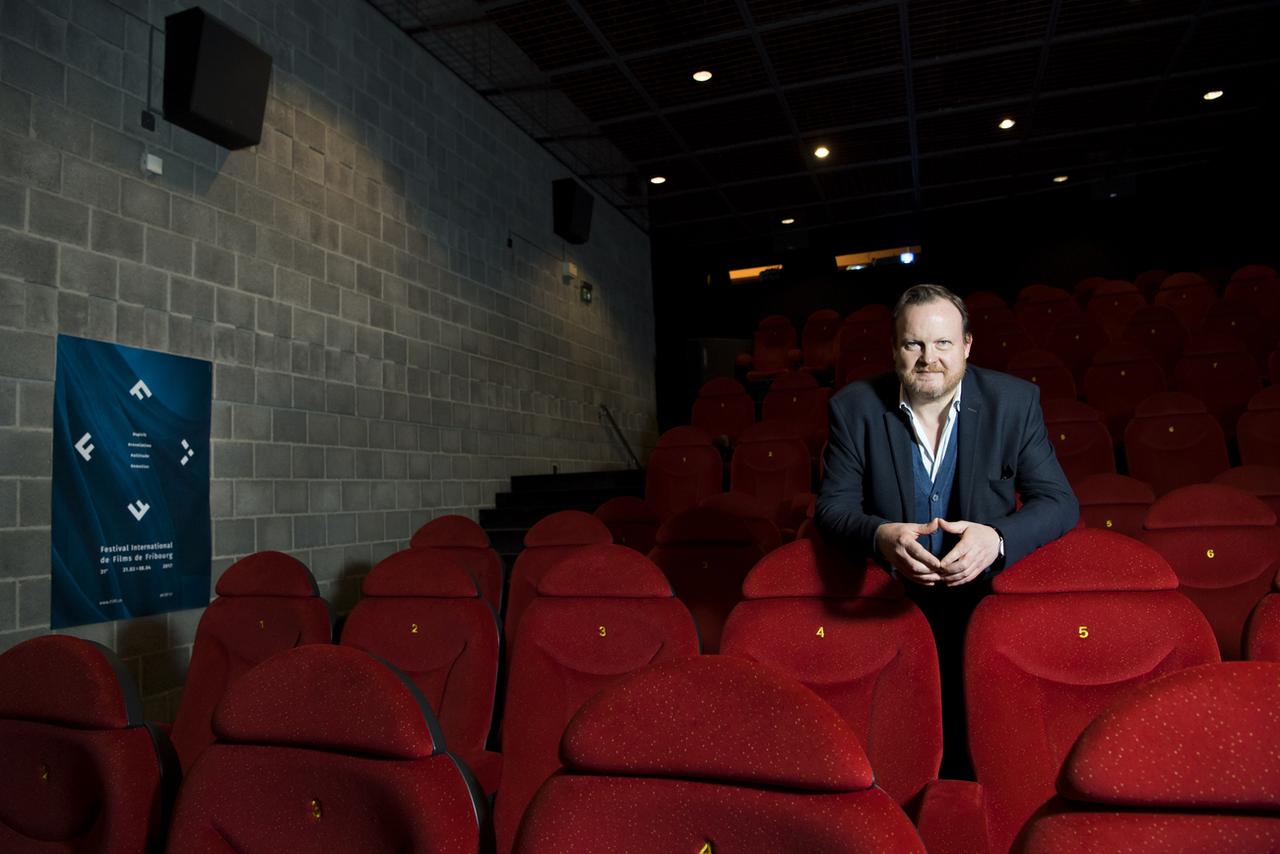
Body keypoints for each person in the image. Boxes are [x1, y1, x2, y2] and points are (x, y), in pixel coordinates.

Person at [815, 283, 1078, 779]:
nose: (928, 358)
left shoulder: (1014, 402)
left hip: (984, 601)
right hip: (889, 605)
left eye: (942, 344)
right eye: (914, 344)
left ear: (967, 347)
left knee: (981, 750)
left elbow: (1060, 503)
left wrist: (996, 539)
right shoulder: (854, 408)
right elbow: (831, 510)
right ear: (895, 349)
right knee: (898, 752)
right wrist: (879, 536)